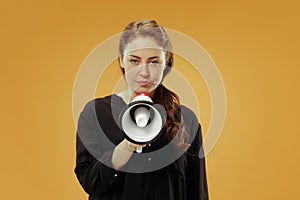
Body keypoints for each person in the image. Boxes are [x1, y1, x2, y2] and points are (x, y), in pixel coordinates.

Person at [74, 19, 209, 200]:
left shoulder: (186, 119)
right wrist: (128, 145)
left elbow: (197, 193)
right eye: (134, 61)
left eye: (154, 62)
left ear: (166, 62)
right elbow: (91, 182)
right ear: (121, 60)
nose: (144, 72)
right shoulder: (96, 113)